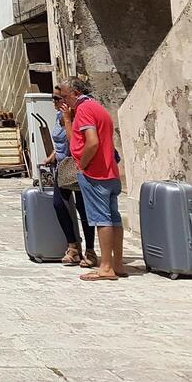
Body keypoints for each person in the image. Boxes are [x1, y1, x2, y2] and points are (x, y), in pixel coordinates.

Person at [62, 77, 125, 281]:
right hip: (110, 172)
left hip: (95, 173)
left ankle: (106, 267)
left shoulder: (85, 110)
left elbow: (92, 142)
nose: (64, 101)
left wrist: (85, 164)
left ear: (75, 93)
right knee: (114, 218)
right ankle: (117, 263)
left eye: (65, 96)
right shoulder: (98, 108)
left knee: (102, 219)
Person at [45, 87, 96, 267]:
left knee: (83, 208)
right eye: (53, 98)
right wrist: (53, 155)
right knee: (59, 205)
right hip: (62, 166)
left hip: (78, 166)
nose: (54, 102)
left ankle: (90, 249)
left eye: (58, 98)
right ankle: (73, 246)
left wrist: (68, 119)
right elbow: (60, 141)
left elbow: (74, 141)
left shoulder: (78, 115)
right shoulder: (59, 117)